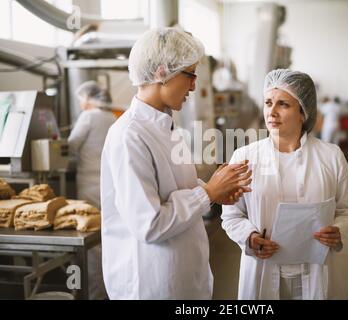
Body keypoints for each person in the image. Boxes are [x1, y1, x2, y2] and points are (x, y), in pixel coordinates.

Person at [100, 27, 252, 300]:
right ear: (162, 72)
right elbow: (150, 223)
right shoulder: (129, 136)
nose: (194, 85)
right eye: (190, 74)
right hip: (151, 284)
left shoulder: (165, 127)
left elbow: (175, 189)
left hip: (181, 278)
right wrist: (207, 194)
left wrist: (215, 191)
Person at [221, 69, 348, 300]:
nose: (271, 111)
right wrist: (250, 238)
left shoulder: (331, 156)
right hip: (262, 268)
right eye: (268, 102)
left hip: (315, 268)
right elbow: (231, 215)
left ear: (303, 112)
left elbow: (345, 211)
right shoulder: (244, 157)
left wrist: (338, 230)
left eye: (283, 104)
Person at [68, 80, 117, 300]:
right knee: (109, 237)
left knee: (91, 242)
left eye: (81, 100)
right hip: (109, 186)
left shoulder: (88, 117)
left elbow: (70, 145)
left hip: (89, 187)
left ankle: (95, 294)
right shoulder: (112, 117)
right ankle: (110, 289)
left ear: (88, 98)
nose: (81, 104)